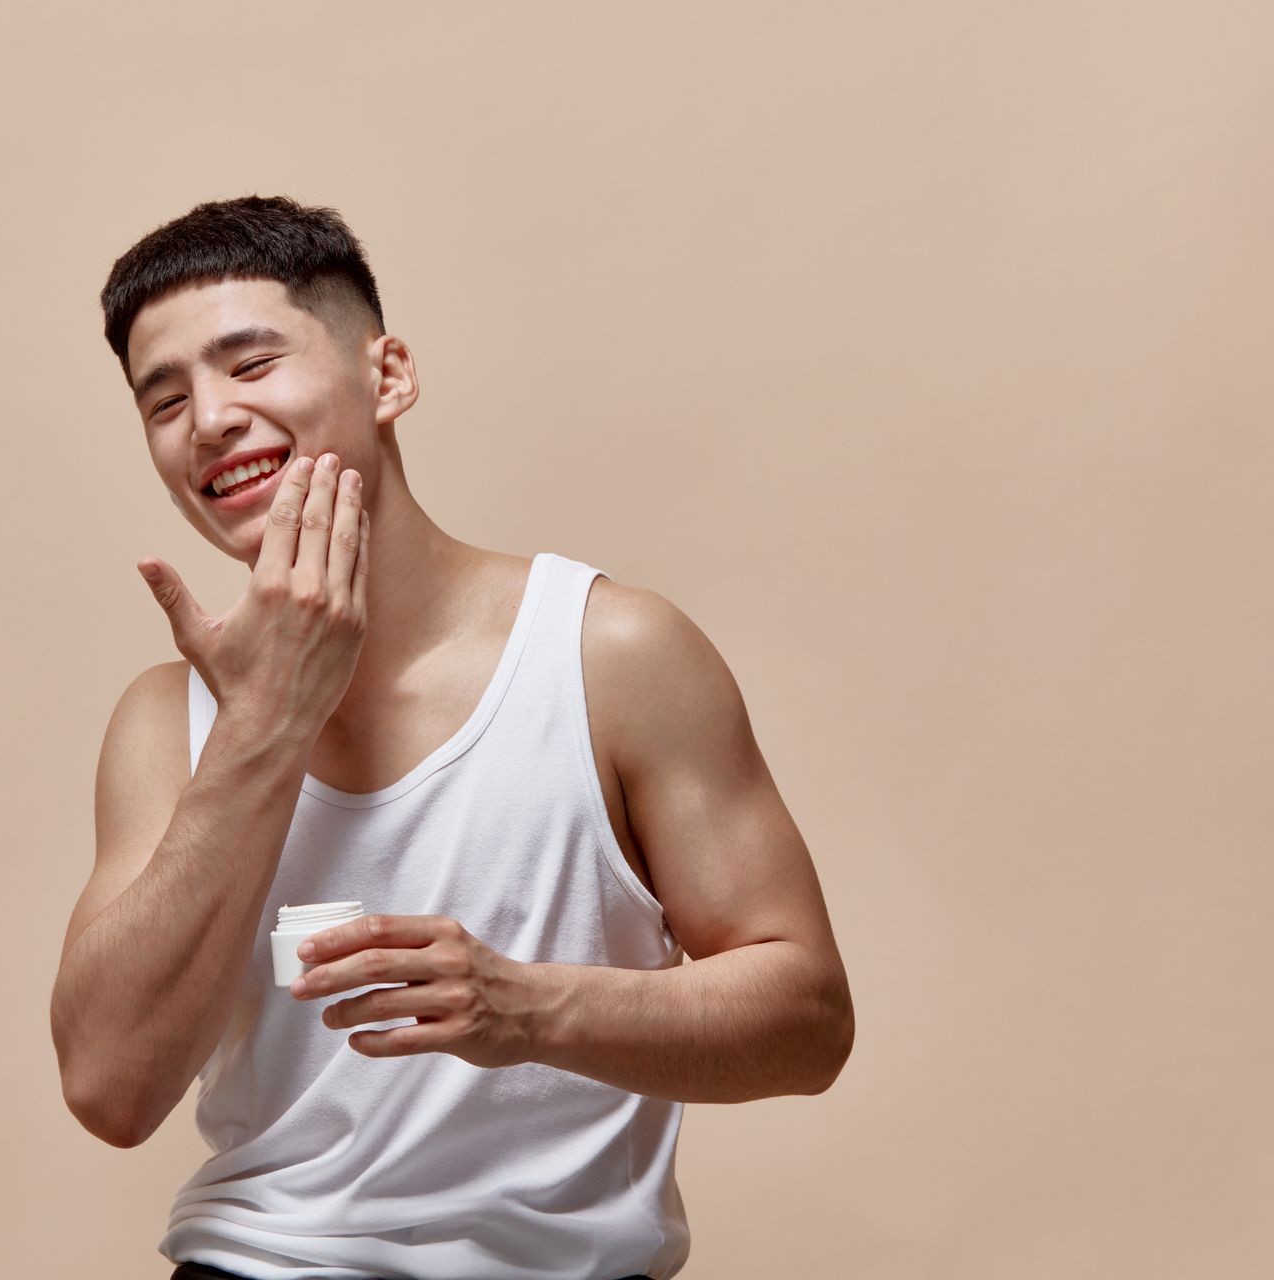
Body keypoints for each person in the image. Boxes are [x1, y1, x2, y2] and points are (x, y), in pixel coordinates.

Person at [48, 195, 854, 1280]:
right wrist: (263, 727)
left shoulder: (611, 653)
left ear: (388, 378)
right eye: (165, 399)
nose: (209, 418)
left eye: (250, 364)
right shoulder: (166, 720)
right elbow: (109, 1085)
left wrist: (531, 1004)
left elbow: (807, 1018)